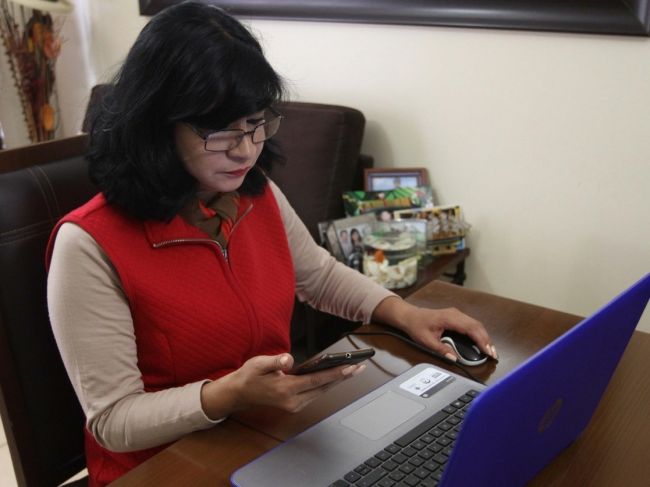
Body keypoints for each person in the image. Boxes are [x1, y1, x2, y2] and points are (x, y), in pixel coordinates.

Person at [45, 3, 497, 485]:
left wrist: (406, 315)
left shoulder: (254, 194)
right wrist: (226, 395)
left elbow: (318, 275)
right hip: (162, 468)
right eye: (220, 130)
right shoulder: (89, 244)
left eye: (255, 122)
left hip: (264, 438)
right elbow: (113, 421)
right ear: (156, 124)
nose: (245, 149)